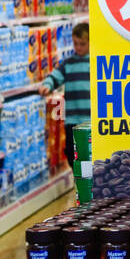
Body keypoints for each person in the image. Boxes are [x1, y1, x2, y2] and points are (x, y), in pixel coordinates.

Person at [39, 21, 90, 169]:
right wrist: (47, 85)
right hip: (72, 119)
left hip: (91, 119)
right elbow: (55, 76)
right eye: (75, 44)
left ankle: (89, 183)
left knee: (89, 154)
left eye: (82, 44)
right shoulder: (68, 63)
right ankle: (79, 178)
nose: (78, 48)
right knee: (71, 152)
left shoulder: (95, 62)